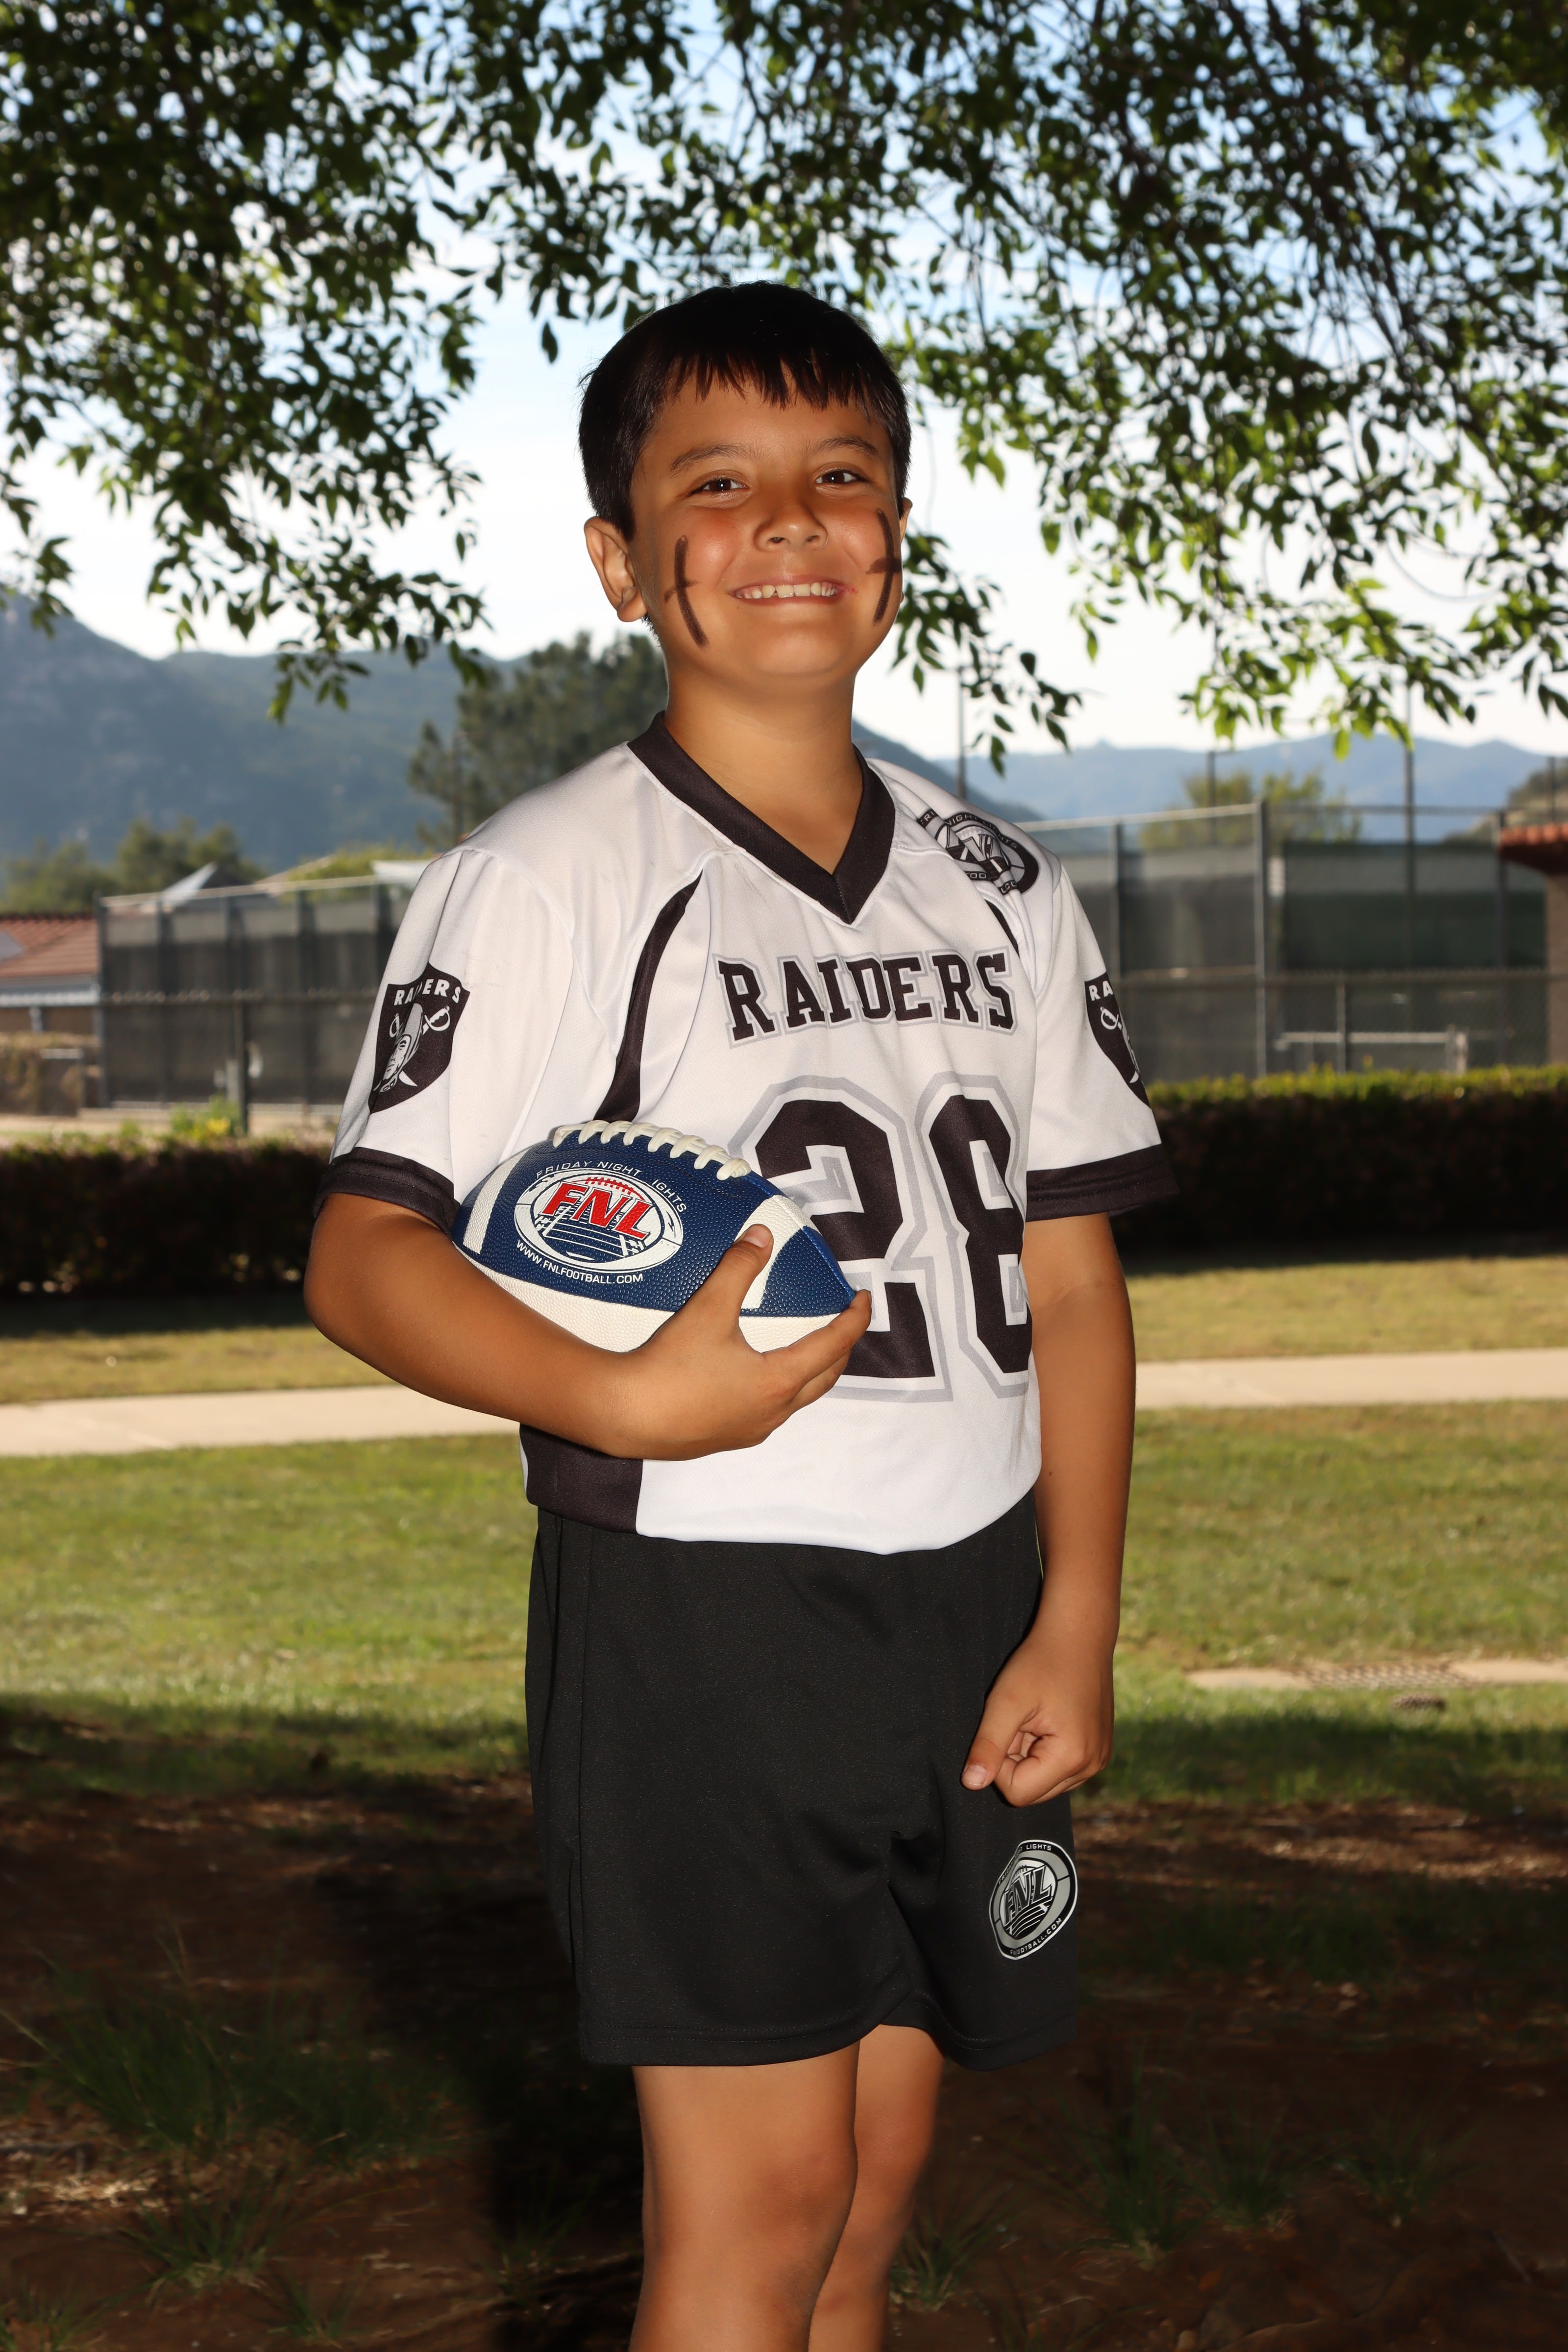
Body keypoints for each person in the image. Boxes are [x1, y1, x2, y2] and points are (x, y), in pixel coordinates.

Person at [305, 281, 1175, 2352]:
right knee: (753, 2210)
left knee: (871, 2189)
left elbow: (1069, 1278)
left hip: (970, 1596)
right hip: (710, 1611)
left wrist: (1076, 1610)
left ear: (897, 538)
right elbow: (363, 1258)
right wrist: (625, 1399)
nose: (789, 521)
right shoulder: (548, 878)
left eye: (839, 475)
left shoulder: (1002, 884)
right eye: (716, 485)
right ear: (622, 561)